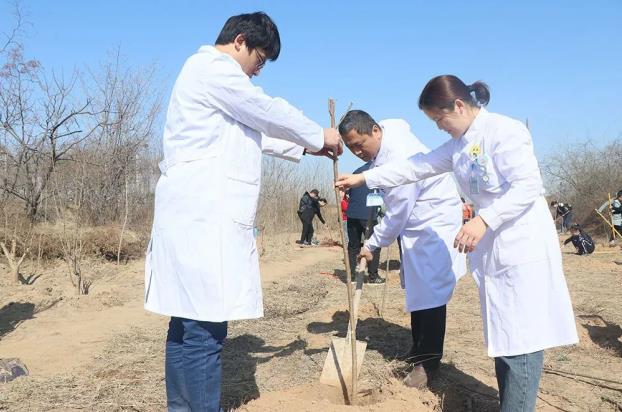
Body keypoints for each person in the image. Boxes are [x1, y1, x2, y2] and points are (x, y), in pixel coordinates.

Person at [336, 75, 578, 412]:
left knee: (521, 337)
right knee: (504, 334)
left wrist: (483, 219)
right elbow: (414, 168)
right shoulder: (459, 145)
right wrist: (364, 177)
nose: (438, 127)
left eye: (439, 119)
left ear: (459, 106)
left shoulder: (505, 132)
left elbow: (527, 186)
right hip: (493, 248)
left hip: (521, 244)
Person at [144, 12, 341, 412]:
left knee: (186, 323)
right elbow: (264, 110)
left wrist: (305, 147)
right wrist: (320, 134)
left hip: (191, 216)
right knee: (204, 329)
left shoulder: (207, 78)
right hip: (204, 217)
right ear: (239, 41)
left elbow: (256, 130)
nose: (258, 70)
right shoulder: (212, 69)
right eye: (260, 59)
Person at [338, 110, 466, 388]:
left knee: (430, 293)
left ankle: (428, 364)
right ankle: (419, 350)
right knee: (420, 290)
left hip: (433, 224)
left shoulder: (398, 154)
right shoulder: (383, 149)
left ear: (375, 130)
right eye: (351, 148)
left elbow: (398, 212)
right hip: (417, 225)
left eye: (360, 144)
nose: (357, 152)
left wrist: (371, 245)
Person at [346, 162, 384, 284]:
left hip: (352, 214)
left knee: (353, 245)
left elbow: (350, 194)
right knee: (374, 245)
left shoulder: (357, 171)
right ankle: (373, 276)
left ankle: (351, 276)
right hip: (367, 215)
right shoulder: (378, 172)